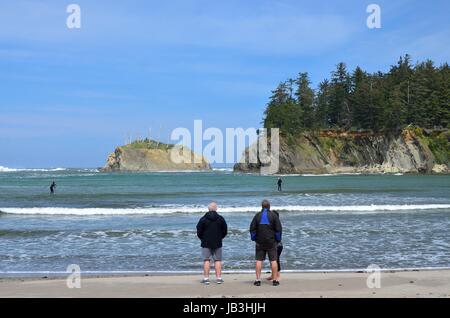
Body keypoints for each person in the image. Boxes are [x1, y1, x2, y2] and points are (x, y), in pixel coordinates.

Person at [250, 199, 282, 286]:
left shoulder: (257, 216)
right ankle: (275, 280)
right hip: (271, 242)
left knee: (259, 260)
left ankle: (257, 280)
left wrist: (254, 238)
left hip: (260, 242)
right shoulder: (273, 216)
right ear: (269, 206)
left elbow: (252, 229)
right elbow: (278, 229)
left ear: (262, 206)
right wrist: (278, 240)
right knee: (273, 261)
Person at [196, 202, 228, 285]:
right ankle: (219, 278)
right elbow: (225, 230)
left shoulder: (203, 218)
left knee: (206, 260)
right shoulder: (220, 218)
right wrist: (220, 237)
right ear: (216, 209)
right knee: (217, 260)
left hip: (206, 241)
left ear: (208, 209)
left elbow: (199, 231)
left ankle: (206, 279)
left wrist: (202, 238)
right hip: (217, 241)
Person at [266, 210, 283, 282]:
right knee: (272, 260)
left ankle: (277, 275)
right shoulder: (274, 224)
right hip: (273, 244)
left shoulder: (276, 225)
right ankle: (273, 275)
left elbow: (277, 236)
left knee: (275, 260)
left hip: (277, 245)